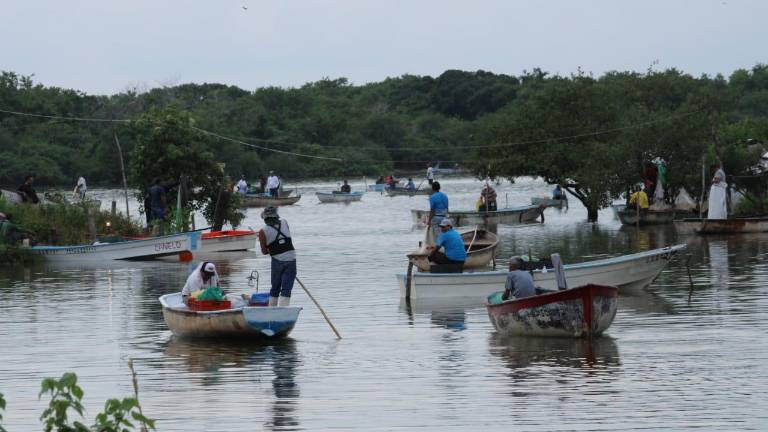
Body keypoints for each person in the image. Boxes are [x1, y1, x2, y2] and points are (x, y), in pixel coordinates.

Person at [258, 206, 297, 306]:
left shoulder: (262, 231)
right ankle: (283, 311)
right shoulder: (284, 222)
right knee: (286, 288)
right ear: (276, 217)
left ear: (265, 218)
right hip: (291, 259)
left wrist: (267, 246)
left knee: (275, 287)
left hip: (277, 261)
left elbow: (264, 251)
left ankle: (272, 309)